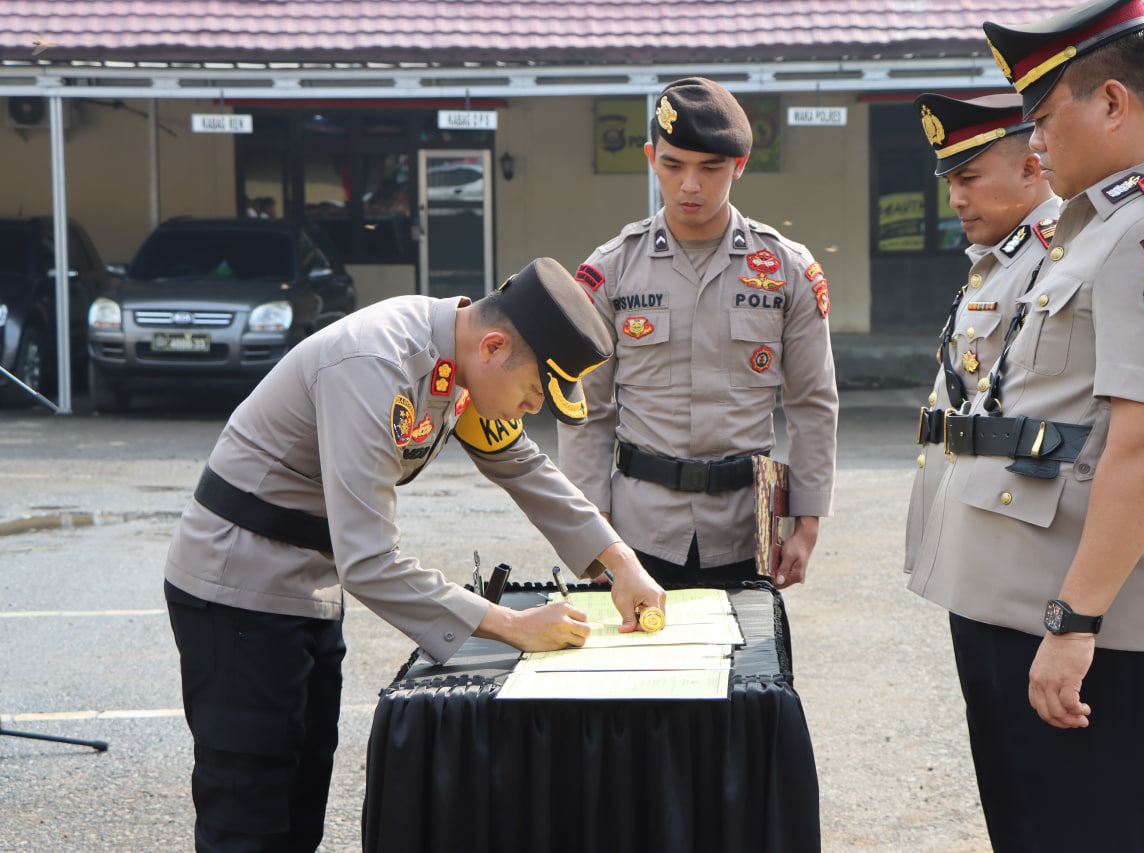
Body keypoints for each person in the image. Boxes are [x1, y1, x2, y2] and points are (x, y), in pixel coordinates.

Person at [163, 257, 665, 852]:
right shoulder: (377, 365)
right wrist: (512, 626)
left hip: (307, 587)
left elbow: (523, 465)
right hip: (237, 586)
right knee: (248, 815)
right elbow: (370, 561)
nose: (532, 410)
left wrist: (622, 564)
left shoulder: (459, 362)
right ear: (496, 346)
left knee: (299, 809)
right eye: (534, 392)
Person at [907, 1, 1144, 850]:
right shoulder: (1098, 226)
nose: (1038, 143)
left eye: (1047, 119)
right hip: (1034, 599)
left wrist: (1074, 621)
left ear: (1114, 104)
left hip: (1094, 620)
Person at [558, 76, 839, 589]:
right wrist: (591, 530)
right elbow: (585, 411)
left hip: (747, 527)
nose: (691, 184)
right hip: (637, 530)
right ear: (650, 158)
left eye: (710, 168)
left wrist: (808, 522)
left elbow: (812, 403)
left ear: (738, 166)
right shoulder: (611, 271)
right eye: (673, 165)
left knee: (746, 667)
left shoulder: (786, 270)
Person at [904, 92, 1060, 573]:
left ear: (1031, 169)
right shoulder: (1002, 258)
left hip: (1014, 534)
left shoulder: (1055, 257)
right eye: (951, 182)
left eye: (969, 178)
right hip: (975, 517)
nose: (955, 199)